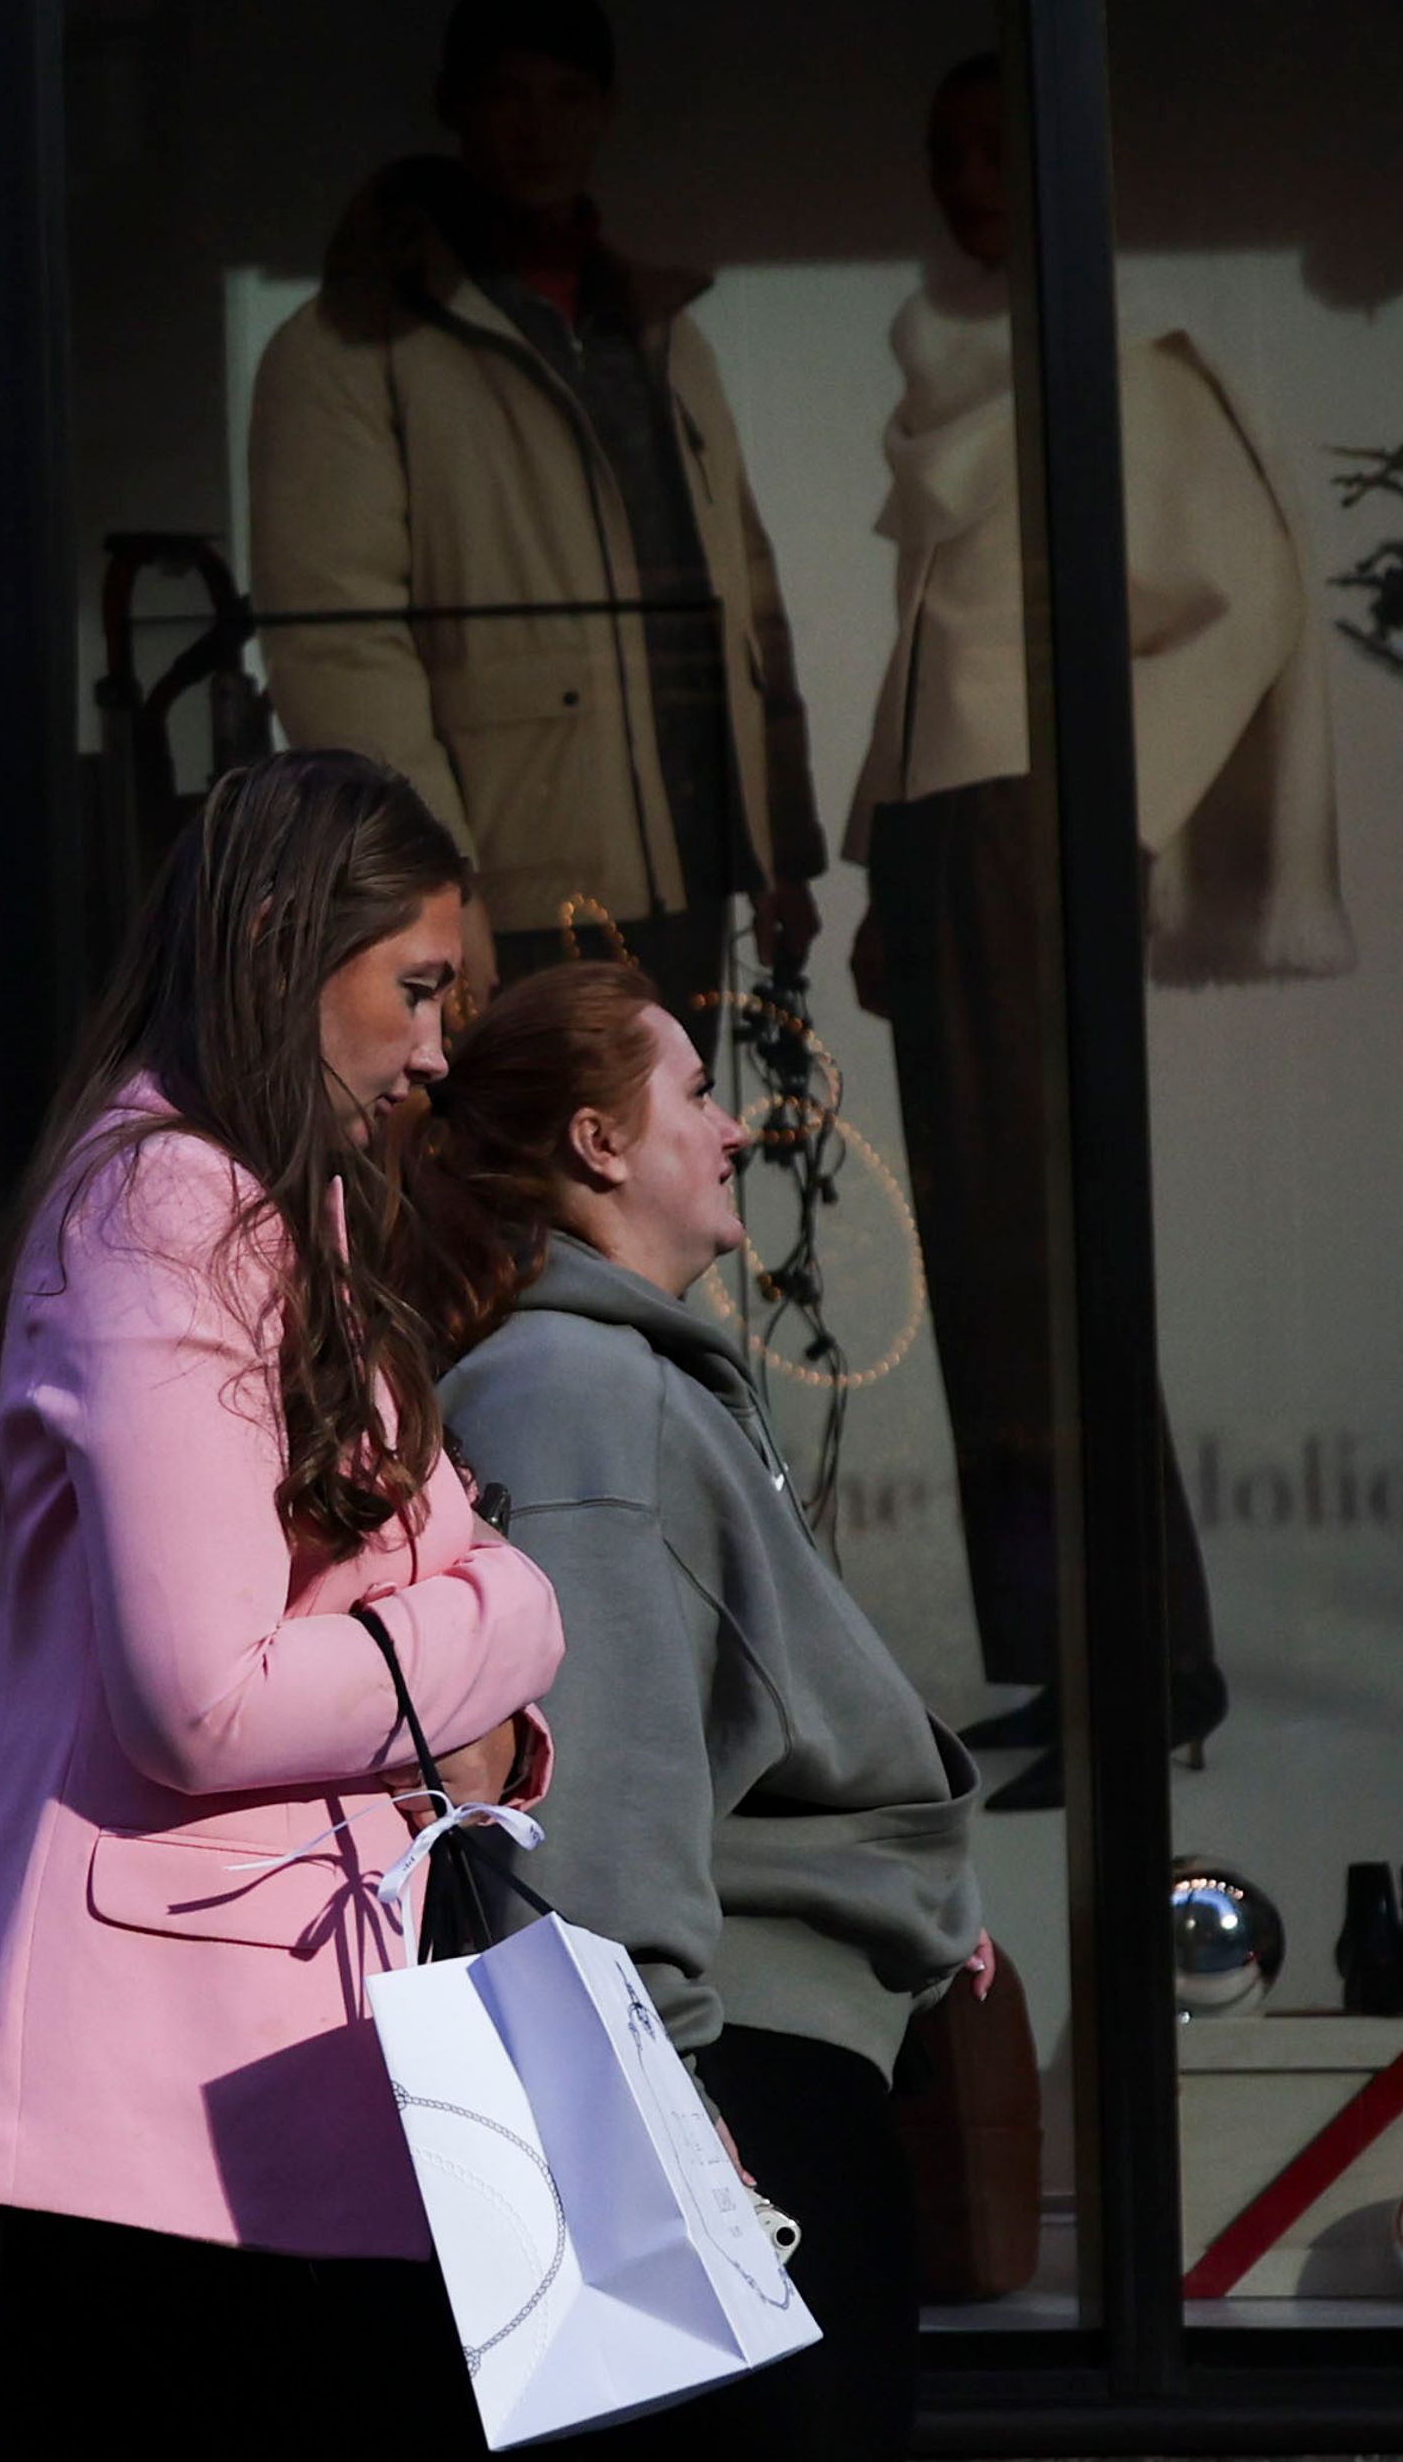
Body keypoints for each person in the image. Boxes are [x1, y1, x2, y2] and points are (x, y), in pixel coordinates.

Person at [0, 750, 564, 2454]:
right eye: (416, 990)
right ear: (279, 939)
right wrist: (513, 1620)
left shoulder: (283, 1210)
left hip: (282, 2098)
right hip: (160, 2127)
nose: (436, 1053)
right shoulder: (165, 1208)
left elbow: (376, 1604)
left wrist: (478, 1704)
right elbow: (199, 1697)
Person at [842, 53, 1353, 1809]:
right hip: (951, 839)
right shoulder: (958, 367)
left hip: (1023, 834)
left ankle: (1151, 1661)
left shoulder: (1125, 375)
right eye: (950, 148)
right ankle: (1074, 1660)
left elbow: (1255, 596)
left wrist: (1103, 795)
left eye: (1003, 146)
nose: (973, 177)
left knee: (1053, 1263)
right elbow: (935, 644)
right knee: (992, 1277)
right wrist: (877, 860)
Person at [404, 959, 984, 2458]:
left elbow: (727, 1708)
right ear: (600, 1144)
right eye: (697, 1094)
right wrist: (642, 2114)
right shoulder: (575, 1389)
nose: (734, 1132)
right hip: (719, 2076)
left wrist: (898, 1883)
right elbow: (583, 1794)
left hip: (735, 2051)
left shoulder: (610, 1377)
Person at [249, 0, 825, 1034]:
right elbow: (339, 648)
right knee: (513, 1188)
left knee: (658, 1184)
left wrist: (781, 855)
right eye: (508, 93)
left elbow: (746, 598)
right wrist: (435, 888)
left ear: (603, 112)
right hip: (511, 886)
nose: (538, 126)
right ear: (456, 106)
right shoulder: (351, 346)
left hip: (692, 868)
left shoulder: (661, 335)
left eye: (566, 94)